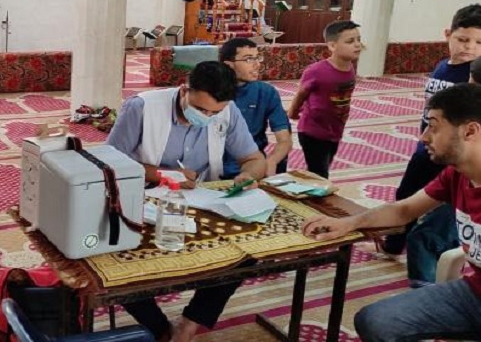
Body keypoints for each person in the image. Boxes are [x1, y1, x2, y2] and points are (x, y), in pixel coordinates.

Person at [302, 83, 481, 342]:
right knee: (375, 321)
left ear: (470, 131)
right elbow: (404, 210)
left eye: (434, 127)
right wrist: (350, 223)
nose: (424, 137)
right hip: (474, 294)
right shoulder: (456, 175)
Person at [107, 61, 266, 342]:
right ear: (184, 90)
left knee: (245, 255)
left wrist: (247, 175)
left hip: (200, 203)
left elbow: (254, 159)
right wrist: (162, 174)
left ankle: (190, 322)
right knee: (116, 260)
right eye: (201, 109)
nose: (207, 117)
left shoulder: (227, 111)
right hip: (143, 200)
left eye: (214, 112)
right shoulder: (142, 107)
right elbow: (110, 164)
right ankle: (159, 328)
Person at [379, 4, 481, 287]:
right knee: (406, 196)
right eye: (463, 39)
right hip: (428, 149)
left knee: (431, 231)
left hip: (455, 158)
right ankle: (393, 243)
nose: (470, 47)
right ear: (448, 34)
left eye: (478, 42)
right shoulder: (442, 67)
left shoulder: (474, 76)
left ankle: (430, 286)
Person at [287, 20, 362, 179]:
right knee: (319, 174)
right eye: (350, 41)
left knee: (321, 169)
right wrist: (293, 112)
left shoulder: (350, 68)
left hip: (335, 130)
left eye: (358, 40)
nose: (357, 45)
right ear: (332, 46)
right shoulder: (317, 71)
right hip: (312, 131)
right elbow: (301, 93)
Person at [220, 38, 292, 179]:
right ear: (229, 65)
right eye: (248, 59)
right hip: (214, 168)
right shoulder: (211, 92)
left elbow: (285, 140)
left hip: (252, 166)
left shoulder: (266, 92)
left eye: (257, 58)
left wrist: (271, 161)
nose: (257, 65)